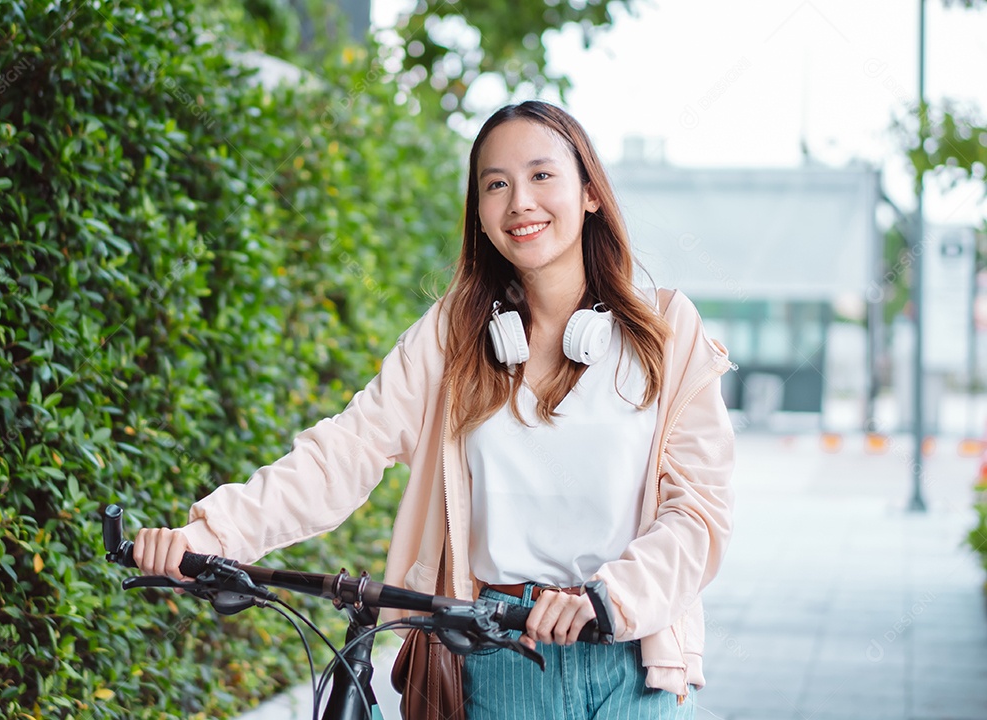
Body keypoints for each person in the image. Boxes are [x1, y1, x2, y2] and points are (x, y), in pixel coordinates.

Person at [135, 100, 735, 719]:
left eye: (541, 175)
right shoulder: (454, 335)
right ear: (480, 212)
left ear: (589, 192)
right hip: (499, 654)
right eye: (495, 185)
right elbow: (346, 449)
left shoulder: (666, 331)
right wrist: (208, 536)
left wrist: (610, 598)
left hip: (630, 658)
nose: (520, 202)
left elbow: (700, 508)